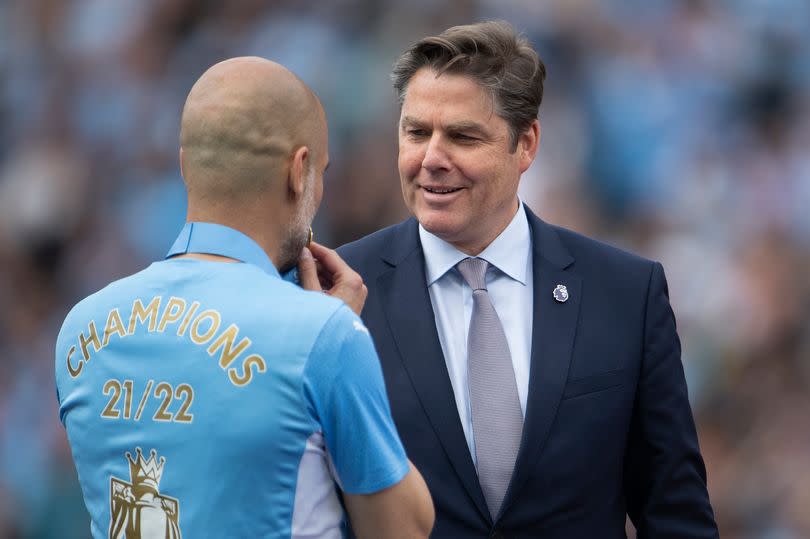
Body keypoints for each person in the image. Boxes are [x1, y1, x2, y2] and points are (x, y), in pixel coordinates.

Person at [339, 21, 718, 538]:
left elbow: (675, 512)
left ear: (526, 144)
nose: (431, 158)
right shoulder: (336, 291)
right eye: (416, 132)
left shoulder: (626, 294)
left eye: (463, 136)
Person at [55, 57, 434, 539]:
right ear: (299, 173)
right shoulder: (323, 335)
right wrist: (335, 342)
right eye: (321, 172)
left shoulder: (80, 328)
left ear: (184, 165)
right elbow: (404, 528)